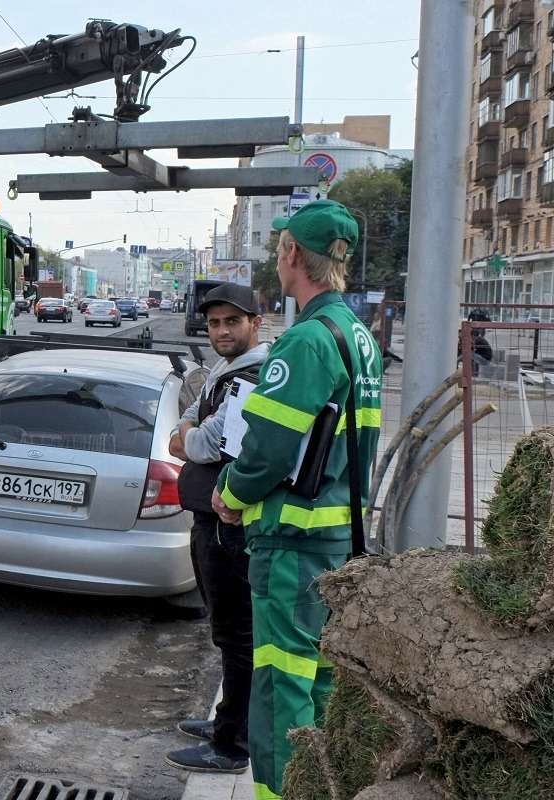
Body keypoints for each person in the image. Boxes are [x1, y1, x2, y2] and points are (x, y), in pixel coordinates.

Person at [211, 200, 383, 800]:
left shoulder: (307, 340)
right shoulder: (358, 335)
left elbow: (267, 453)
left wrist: (229, 494)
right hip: (337, 540)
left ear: (290, 254)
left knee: (281, 690)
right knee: (320, 684)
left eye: (279, 245)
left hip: (292, 544)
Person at [165, 283, 269, 775]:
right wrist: (190, 435)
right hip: (209, 520)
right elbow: (187, 426)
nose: (222, 330)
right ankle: (227, 719)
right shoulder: (224, 371)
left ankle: (233, 744)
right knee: (225, 631)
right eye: (214, 323)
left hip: (233, 525)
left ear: (256, 322)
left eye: (232, 321)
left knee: (238, 633)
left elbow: (208, 443)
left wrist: (190, 437)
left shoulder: (257, 374)